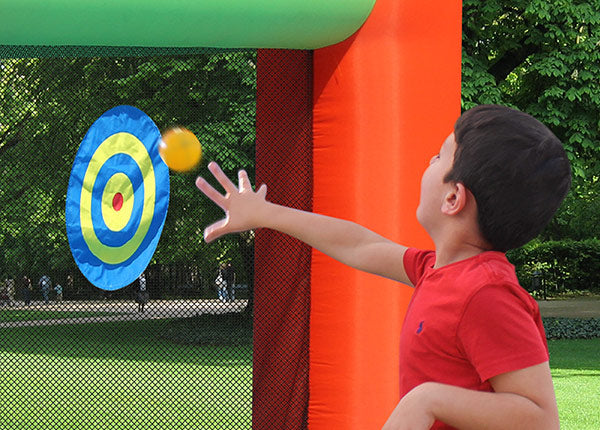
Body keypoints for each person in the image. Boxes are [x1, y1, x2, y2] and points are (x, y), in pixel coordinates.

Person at [195, 105, 570, 430]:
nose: (429, 162)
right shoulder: (437, 271)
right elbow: (360, 244)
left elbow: (540, 419)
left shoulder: (486, 295)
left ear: (453, 198)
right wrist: (267, 213)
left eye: (440, 157)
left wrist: (428, 400)